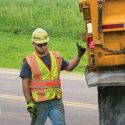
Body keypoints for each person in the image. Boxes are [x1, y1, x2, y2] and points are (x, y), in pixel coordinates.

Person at [20, 28, 86, 125]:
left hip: (55, 101)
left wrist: (79, 55)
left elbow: (69, 67)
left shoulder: (56, 56)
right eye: (39, 45)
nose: (43, 47)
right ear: (33, 44)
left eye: (45, 44)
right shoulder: (29, 61)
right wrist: (29, 102)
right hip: (39, 103)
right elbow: (25, 83)